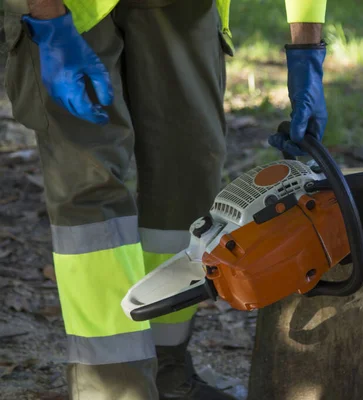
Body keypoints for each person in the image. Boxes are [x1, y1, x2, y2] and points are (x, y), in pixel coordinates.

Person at [3, 0, 328, 398]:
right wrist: (48, 20)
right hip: (67, 8)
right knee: (89, 187)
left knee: (190, 171)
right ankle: (114, 386)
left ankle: (166, 367)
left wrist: (307, 48)